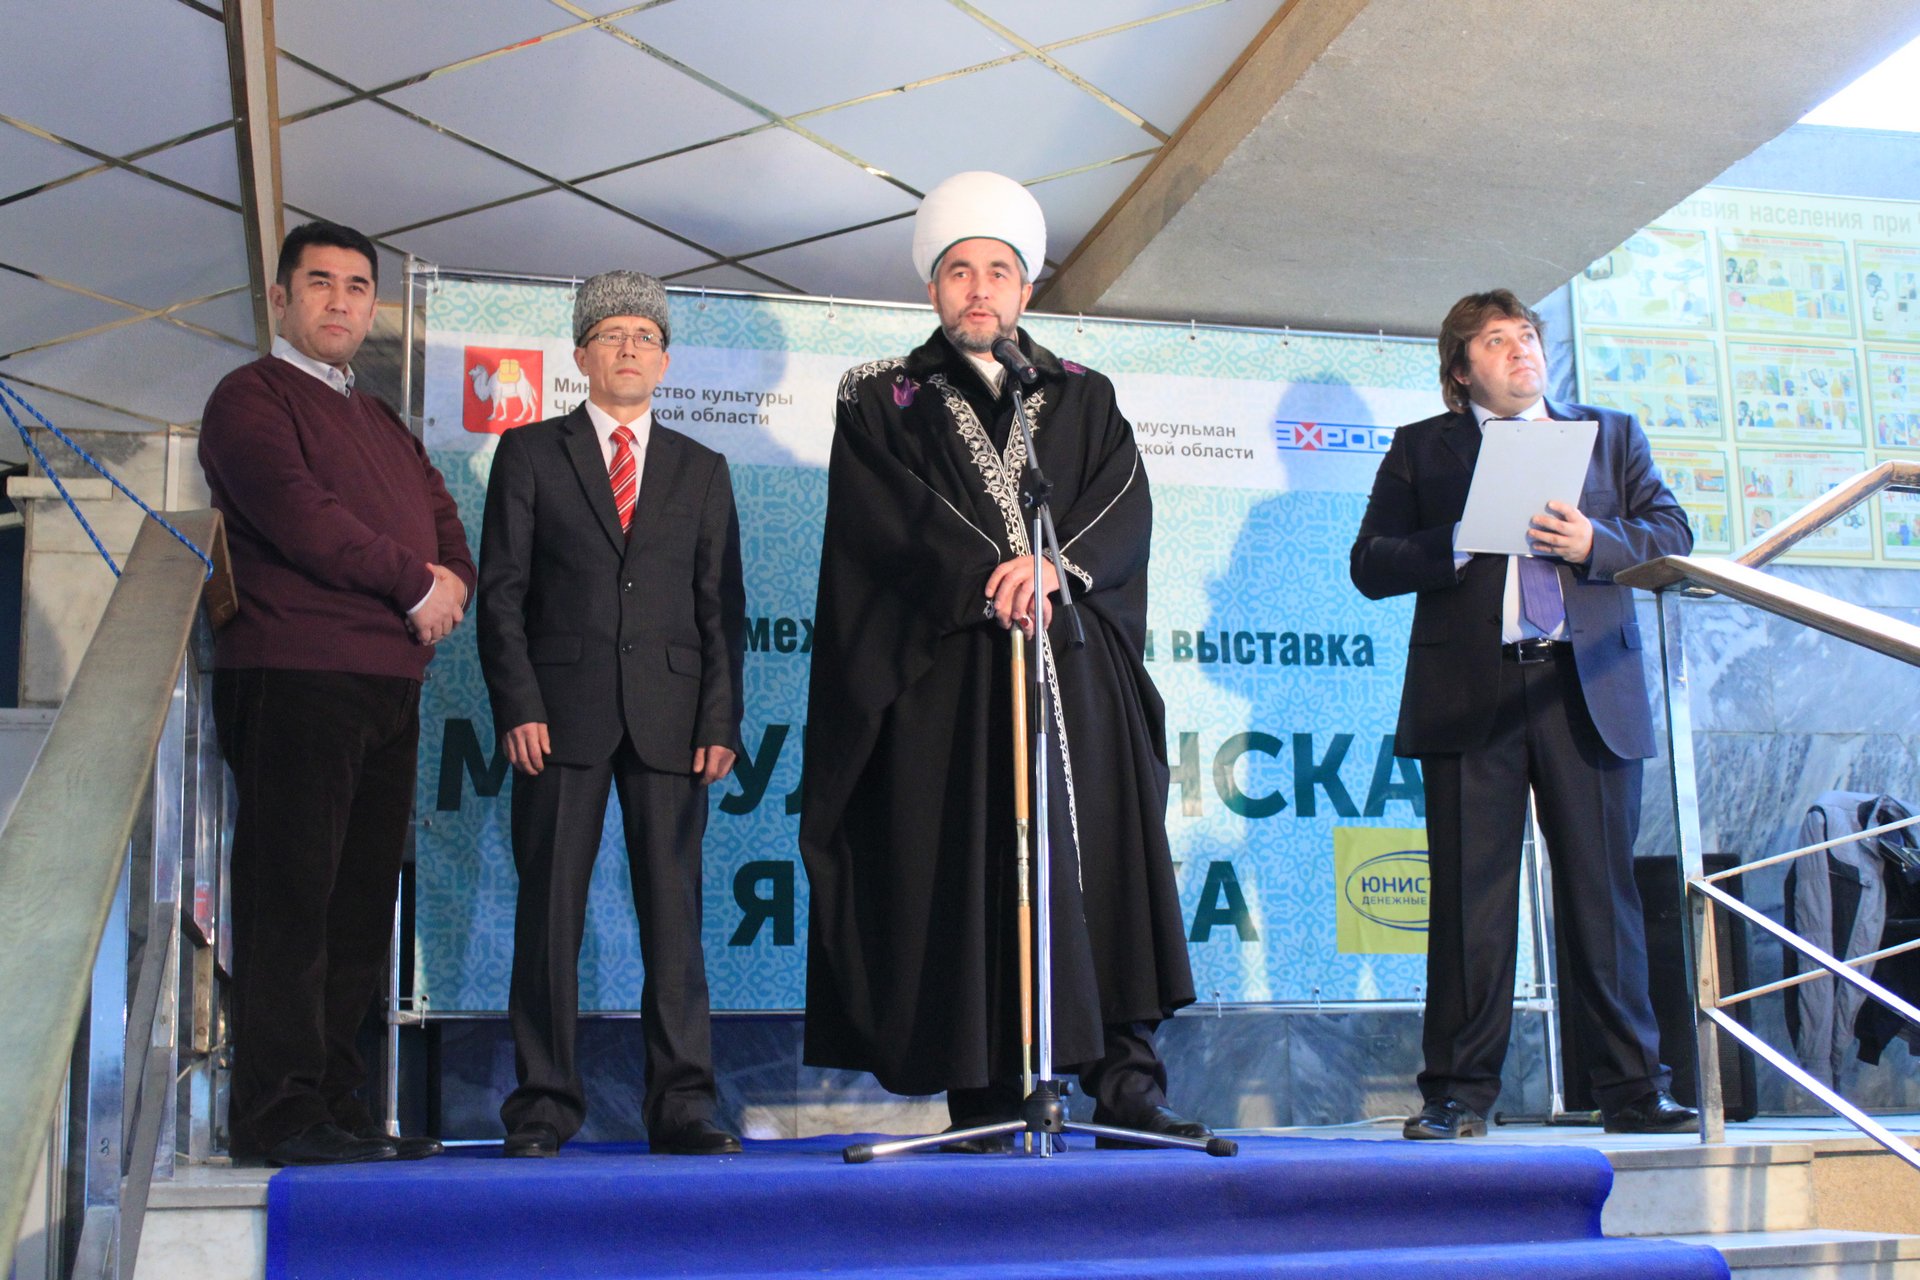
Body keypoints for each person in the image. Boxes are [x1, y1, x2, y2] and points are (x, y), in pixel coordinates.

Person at [800, 171, 1209, 1149]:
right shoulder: (880, 397)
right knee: (971, 868)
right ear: (932, 288)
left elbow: (1123, 502)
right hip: (953, 682)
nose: (978, 288)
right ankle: (984, 1090)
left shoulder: (1082, 393)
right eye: (959, 271)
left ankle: (1126, 1079)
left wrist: (1054, 567)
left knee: (1102, 855)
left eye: (997, 271)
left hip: (1075, 674)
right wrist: (990, 576)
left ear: (1024, 288)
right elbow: (888, 518)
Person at [1350, 289, 1699, 1140]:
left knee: (1604, 897)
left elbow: (1672, 533)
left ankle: (1634, 1089)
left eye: (1529, 336)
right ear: (1461, 372)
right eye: (1497, 341)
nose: (1522, 351)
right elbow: (1370, 563)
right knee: (1470, 905)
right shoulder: (1423, 448)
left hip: (1586, 690)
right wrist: (1456, 542)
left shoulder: (1609, 434)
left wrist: (1596, 544)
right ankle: (1458, 1094)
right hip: (1473, 697)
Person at [199, 220, 474, 1166]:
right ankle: (276, 1114)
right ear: (281, 299)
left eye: (358, 287)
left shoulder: (382, 421)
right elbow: (299, 514)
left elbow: (444, 519)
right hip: (295, 673)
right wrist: (414, 584)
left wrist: (452, 584)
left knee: (357, 909)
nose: (341, 301)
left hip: (389, 681)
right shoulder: (250, 397)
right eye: (320, 282)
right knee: (291, 900)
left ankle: (335, 1103)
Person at [477, 270, 746, 1157]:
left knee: (675, 922)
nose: (629, 348)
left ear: (665, 361)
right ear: (581, 355)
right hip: (557, 717)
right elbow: (502, 595)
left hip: (673, 720)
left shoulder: (702, 469)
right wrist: (518, 702)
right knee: (549, 915)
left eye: (645, 336)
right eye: (612, 335)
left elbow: (721, 608)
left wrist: (719, 720)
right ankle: (543, 1106)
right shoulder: (529, 453)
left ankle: (684, 1106)